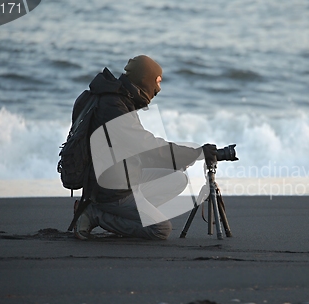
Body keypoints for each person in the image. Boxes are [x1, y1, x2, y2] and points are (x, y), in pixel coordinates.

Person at [73, 55, 217, 240]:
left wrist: (179, 159)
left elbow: (136, 149)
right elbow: (146, 145)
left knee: (177, 178)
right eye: (156, 82)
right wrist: (196, 153)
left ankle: (132, 216)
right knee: (160, 230)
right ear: (143, 80)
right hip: (111, 190)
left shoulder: (119, 99)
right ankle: (95, 215)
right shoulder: (113, 107)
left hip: (123, 177)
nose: (158, 89)